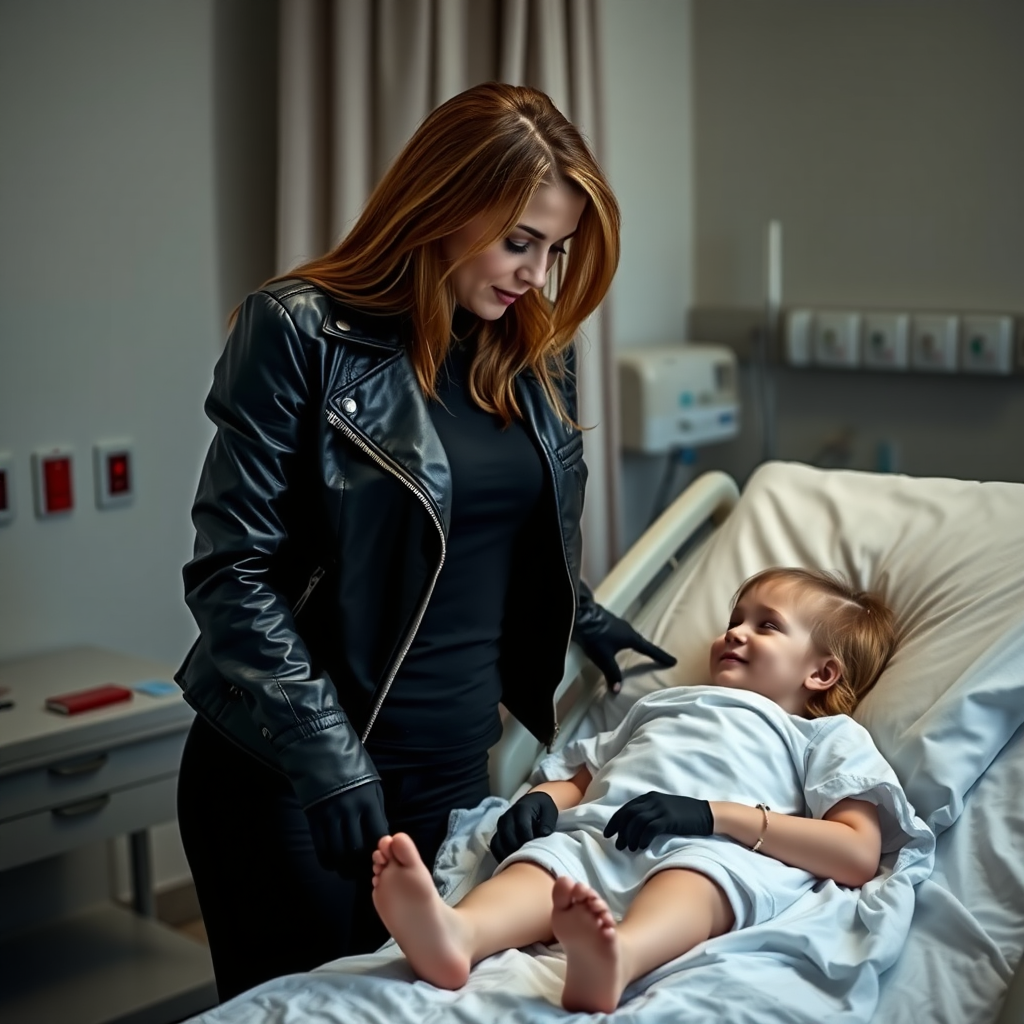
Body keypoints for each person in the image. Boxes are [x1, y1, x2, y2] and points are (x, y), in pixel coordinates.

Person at [174, 81, 675, 1003]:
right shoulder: (300, 330)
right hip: (297, 776)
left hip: (451, 772)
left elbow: (485, 532)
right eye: (519, 240)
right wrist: (325, 758)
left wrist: (586, 615)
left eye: (554, 250)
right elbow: (230, 572)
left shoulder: (529, 346)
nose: (535, 273)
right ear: (444, 203)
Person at [370, 566, 904, 1014]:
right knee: (546, 862)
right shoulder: (662, 706)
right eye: (734, 621)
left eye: (767, 626)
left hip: (717, 847)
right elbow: (581, 782)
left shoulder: (823, 736)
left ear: (822, 674)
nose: (735, 633)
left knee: (698, 879)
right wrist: (541, 801)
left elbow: (857, 852)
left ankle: (619, 956)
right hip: (605, 833)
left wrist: (713, 817)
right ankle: (458, 934)